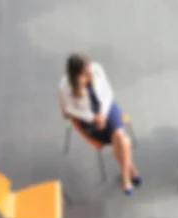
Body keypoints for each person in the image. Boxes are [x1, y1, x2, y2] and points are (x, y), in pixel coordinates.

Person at [58, 54, 141, 195]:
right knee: (122, 141)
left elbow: (108, 93)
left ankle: (126, 178)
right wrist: (92, 118)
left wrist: (102, 114)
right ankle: (131, 171)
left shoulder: (97, 69)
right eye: (85, 71)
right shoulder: (65, 86)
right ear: (76, 75)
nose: (90, 71)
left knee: (121, 138)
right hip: (88, 118)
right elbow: (68, 111)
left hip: (107, 108)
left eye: (89, 67)